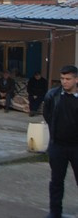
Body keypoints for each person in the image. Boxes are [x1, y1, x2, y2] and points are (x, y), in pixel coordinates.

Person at [43, 65, 78, 218]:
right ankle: (55, 212)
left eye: (68, 79)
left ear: (76, 79)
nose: (64, 82)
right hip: (58, 146)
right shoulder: (53, 95)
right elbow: (48, 115)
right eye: (62, 79)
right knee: (56, 181)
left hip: (77, 147)